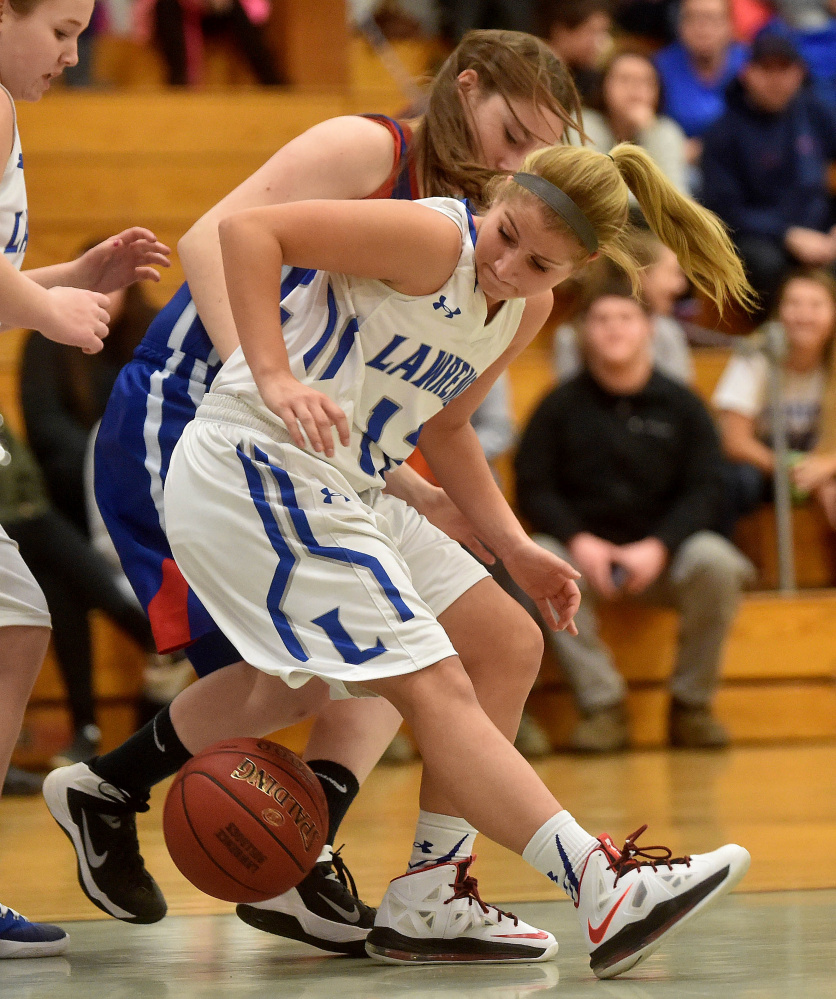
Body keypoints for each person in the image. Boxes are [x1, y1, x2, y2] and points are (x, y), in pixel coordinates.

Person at [43, 28, 583, 956]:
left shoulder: (481, 226)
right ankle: (189, 813)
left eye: (541, 146)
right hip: (187, 412)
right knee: (304, 664)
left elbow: (385, 400)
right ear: (466, 88)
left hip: (306, 445)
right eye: (511, 129)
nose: (518, 159)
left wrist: (411, 488)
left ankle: (255, 828)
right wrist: (265, 377)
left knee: (373, 633)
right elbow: (216, 234)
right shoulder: (376, 149)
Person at [161, 142, 753, 975]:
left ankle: (431, 892)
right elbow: (251, 232)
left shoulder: (528, 308)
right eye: (506, 232)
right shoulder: (435, 240)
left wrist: (515, 547)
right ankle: (602, 881)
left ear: (577, 270)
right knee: (432, 682)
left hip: (352, 482)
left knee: (508, 642)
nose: (506, 263)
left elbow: (446, 427)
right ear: (499, 195)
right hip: (259, 458)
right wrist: (274, 374)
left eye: (539, 262)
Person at [0, 0, 169, 959]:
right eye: (61, 29)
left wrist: (73, 277)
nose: (76, 52)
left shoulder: (8, 108)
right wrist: (54, 312)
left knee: (16, 623)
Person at [518, 272, 755, 754]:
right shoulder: (557, 408)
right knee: (538, 555)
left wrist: (661, 545)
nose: (613, 329)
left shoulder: (684, 405)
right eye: (601, 319)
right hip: (581, 560)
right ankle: (603, 709)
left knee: (719, 562)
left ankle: (691, 708)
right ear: (585, 332)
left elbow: (708, 488)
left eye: (625, 318)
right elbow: (534, 487)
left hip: (665, 556)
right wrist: (578, 539)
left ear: (649, 328)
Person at [701, 32, 836, 316]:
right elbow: (723, 210)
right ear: (747, 73)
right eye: (766, 69)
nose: (776, 80)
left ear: (799, 73)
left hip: (821, 229)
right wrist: (786, 233)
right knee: (764, 263)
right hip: (758, 236)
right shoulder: (723, 132)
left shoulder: (816, 114)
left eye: (784, 69)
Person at [714, 269, 836, 533]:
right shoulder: (757, 354)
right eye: (793, 304)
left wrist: (825, 468)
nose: (804, 316)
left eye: (816, 305)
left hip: (821, 462)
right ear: (778, 312)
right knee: (738, 480)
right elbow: (733, 440)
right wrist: (791, 469)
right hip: (765, 465)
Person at [555, 230, 694, 385]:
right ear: (639, 274)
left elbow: (680, 398)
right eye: (672, 273)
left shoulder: (667, 331)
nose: (680, 286)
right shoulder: (570, 336)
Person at [582, 49, 690, 195]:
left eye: (645, 82)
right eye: (624, 79)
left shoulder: (664, 131)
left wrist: (651, 131)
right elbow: (592, 191)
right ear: (603, 86)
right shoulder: (584, 124)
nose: (635, 89)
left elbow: (676, 197)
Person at [653, 0, 748, 164]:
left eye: (711, 18)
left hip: (739, 165)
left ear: (730, 25)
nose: (702, 27)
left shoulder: (750, 64)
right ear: (680, 25)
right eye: (693, 18)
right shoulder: (660, 67)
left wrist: (704, 148)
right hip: (680, 165)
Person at [538, 0, 613, 103]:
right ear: (562, 32)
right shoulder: (531, 70)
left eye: (603, 32)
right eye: (591, 31)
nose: (600, 42)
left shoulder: (585, 77)